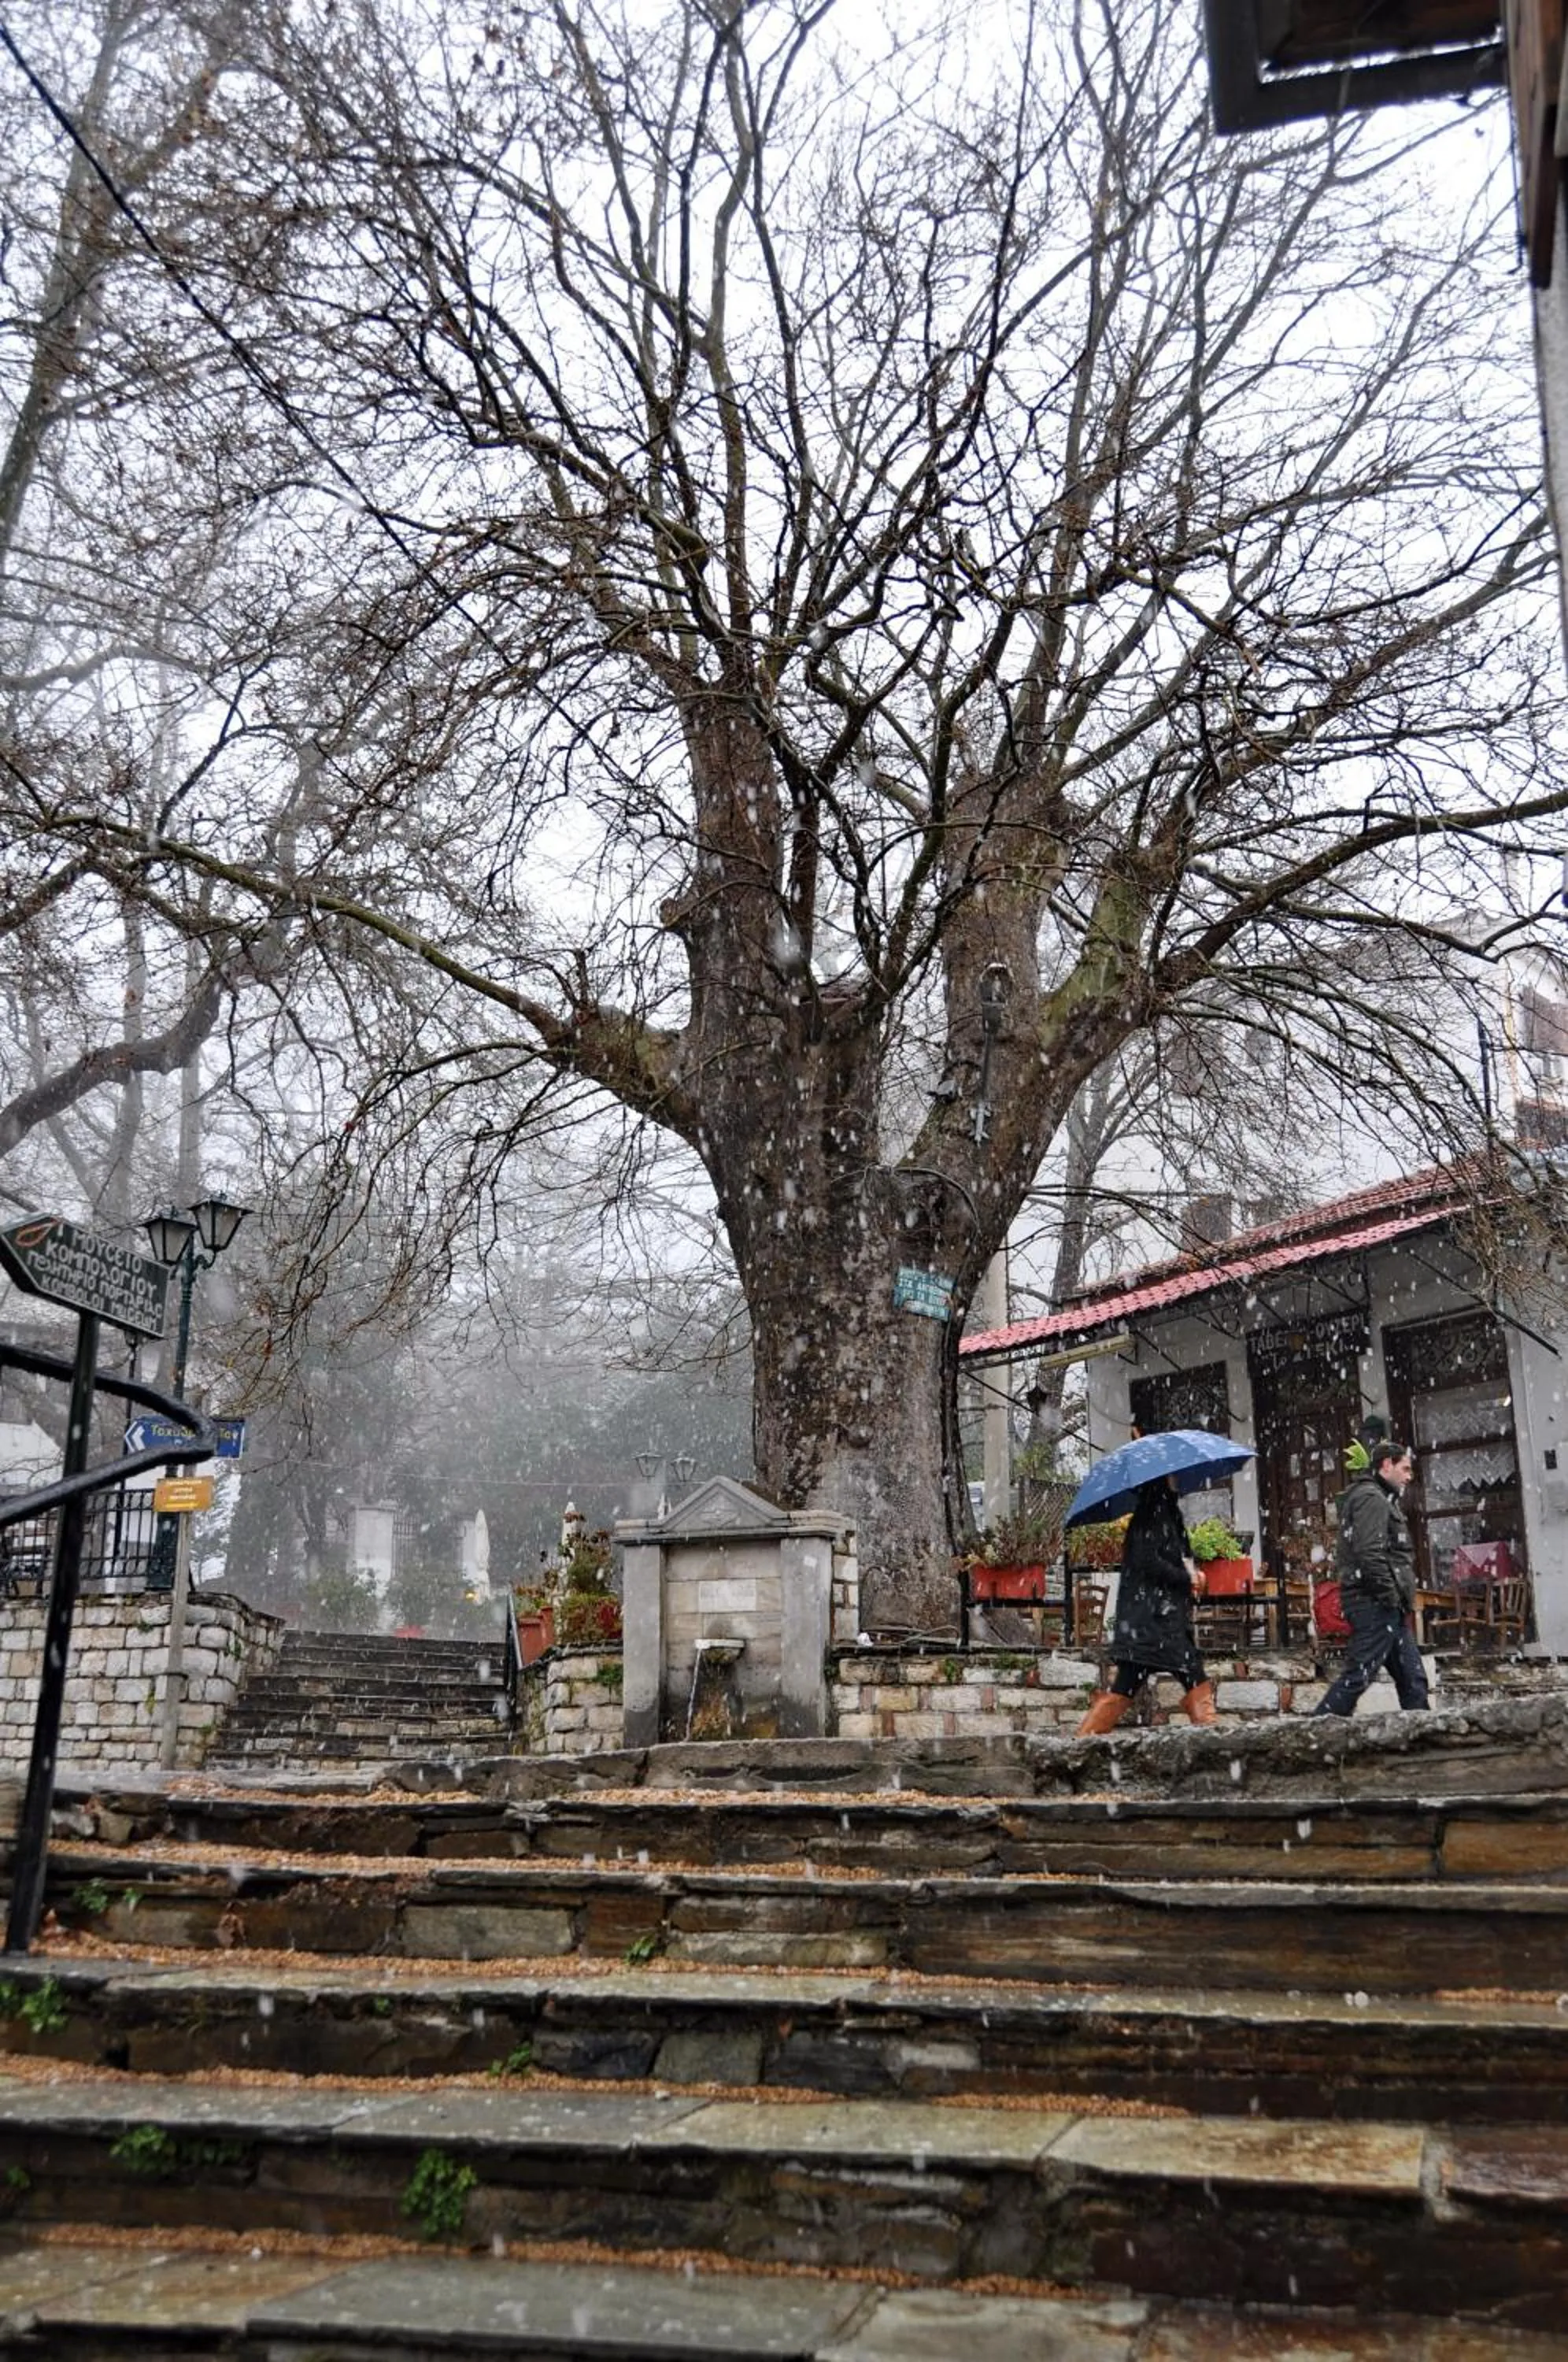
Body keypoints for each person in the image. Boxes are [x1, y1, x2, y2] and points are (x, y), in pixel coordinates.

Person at [1076, 1475, 1215, 1734]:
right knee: (1192, 1672)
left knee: (1127, 1686)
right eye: (1175, 1473)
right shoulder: (1155, 1512)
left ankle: (1081, 1743)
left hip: (1150, 1622)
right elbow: (1148, 1562)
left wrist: (1190, 1572)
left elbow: (1167, 1558)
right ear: (1164, 1478)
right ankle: (1214, 1744)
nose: (1178, 1478)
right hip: (1155, 1622)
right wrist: (1187, 1577)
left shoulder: (1162, 1511)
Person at [1315, 1439, 1429, 1718]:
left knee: (1412, 1678)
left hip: (1385, 1605)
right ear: (1386, 1465)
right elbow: (1369, 1553)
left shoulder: (1376, 1497)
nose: (1409, 1476)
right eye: (1405, 1468)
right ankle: (1314, 1733)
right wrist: (1390, 1595)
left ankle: (1425, 1737)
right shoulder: (1371, 1499)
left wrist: (1396, 1600)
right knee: (1358, 1676)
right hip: (1374, 1603)